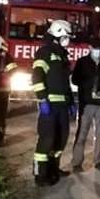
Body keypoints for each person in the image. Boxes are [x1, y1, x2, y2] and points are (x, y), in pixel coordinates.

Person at [31, 20, 76, 186]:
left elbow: (65, 82)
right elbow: (37, 76)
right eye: (65, 36)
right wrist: (42, 98)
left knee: (61, 139)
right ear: (57, 34)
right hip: (49, 105)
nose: (68, 40)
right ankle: (40, 175)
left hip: (62, 106)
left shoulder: (63, 55)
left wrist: (71, 102)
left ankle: (53, 170)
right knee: (47, 140)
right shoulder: (45, 52)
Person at [71, 39, 100, 172]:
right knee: (82, 134)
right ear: (90, 48)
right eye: (96, 48)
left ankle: (98, 161)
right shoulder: (82, 62)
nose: (99, 51)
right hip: (86, 104)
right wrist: (89, 83)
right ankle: (77, 163)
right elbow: (75, 80)